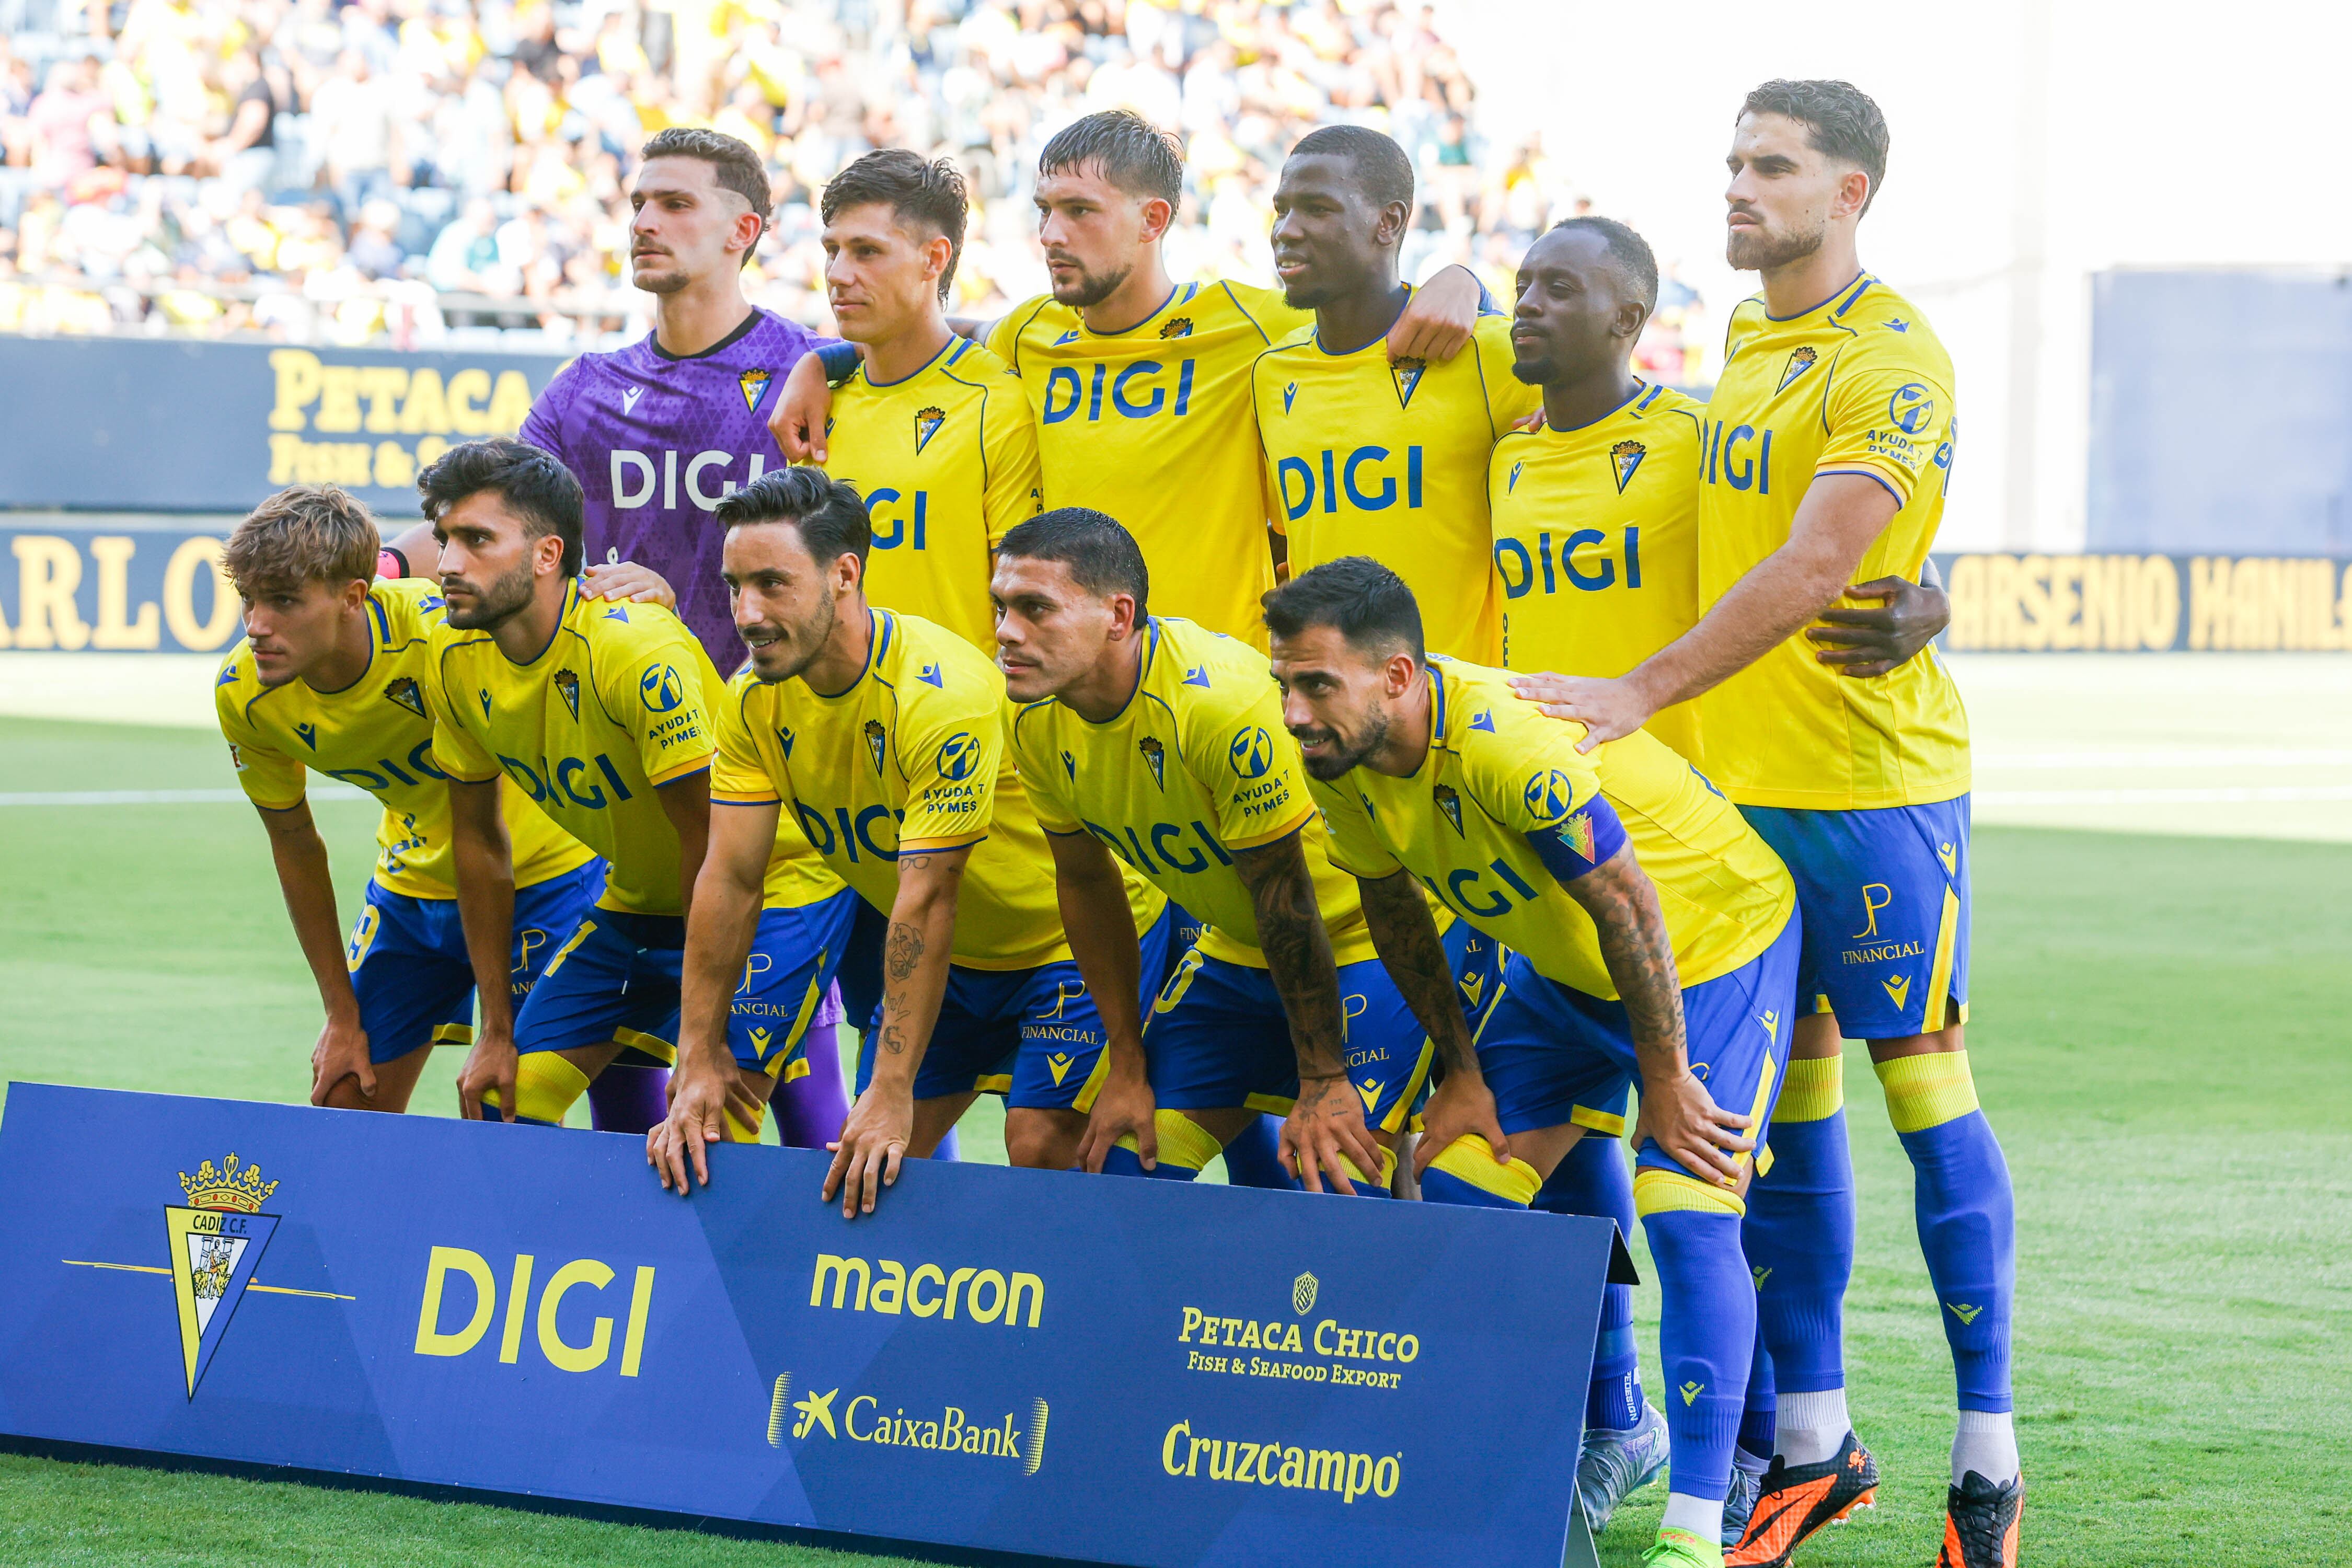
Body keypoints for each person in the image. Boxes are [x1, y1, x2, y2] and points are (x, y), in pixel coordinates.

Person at [1506, 81, 2020, 1568]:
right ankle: (1813, 1442)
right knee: (1778, 1122)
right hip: (1737, 807)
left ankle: (1985, 1459)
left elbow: (1817, 563)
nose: (1738, 185)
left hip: (1870, 794)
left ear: (1850, 191)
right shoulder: (1740, 341)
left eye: (1773, 166)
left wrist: (1639, 689)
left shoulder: (1892, 355)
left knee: (1925, 1101)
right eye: (1732, 161)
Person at [1265, 556, 1800, 1568]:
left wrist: (1665, 1075)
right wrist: (1461, 1072)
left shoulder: (1506, 745)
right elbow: (1393, 909)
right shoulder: (1340, 757)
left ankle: (1696, 1530)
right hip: (1563, 971)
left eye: (1316, 685)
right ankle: (1554, 1461)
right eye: (1285, 684)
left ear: (1398, 678)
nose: (1294, 713)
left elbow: (1630, 903)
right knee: (1460, 1195)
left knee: (1688, 1203)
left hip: (1711, 944)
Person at [392, 129, 862, 1150]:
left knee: (801, 1108)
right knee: (633, 1106)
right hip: (644, 775)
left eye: (674, 203)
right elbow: (487, 514)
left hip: (776, 776)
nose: (644, 221)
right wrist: (387, 569)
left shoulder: (805, 379)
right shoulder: (587, 388)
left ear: (745, 230)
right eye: (637, 201)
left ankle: (864, 1296)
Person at [647, 469, 1171, 1215]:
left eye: (772, 584)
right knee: (865, 1172)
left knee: (1040, 1145)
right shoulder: (752, 699)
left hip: (1062, 949)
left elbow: (929, 899)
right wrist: (698, 1055)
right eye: (735, 586)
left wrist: (891, 1088)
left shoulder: (938, 696)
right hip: (956, 965)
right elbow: (730, 879)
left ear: (845, 573)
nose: (748, 613)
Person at [770, 109, 1490, 649]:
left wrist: (1466, 281)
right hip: (1076, 682)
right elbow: (926, 347)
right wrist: (823, 361)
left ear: (1153, 219)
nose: (1051, 235)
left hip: (1217, 688)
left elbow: (1370, 311)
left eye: (1080, 211)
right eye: (1044, 211)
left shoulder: (1250, 324)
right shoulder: (1028, 333)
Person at [994, 509, 1493, 1195]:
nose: (1005, 633)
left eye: (1034, 609)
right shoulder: (1027, 714)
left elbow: (1285, 903)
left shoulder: (1217, 705)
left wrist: (1321, 1079)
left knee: (1338, 1176)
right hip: (1237, 950)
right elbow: (1085, 884)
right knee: (1116, 1165)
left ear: (1118, 616)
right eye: (1001, 608)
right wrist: (1127, 1064)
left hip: (1361, 941)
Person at [214, 485, 598, 1115]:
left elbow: (541, 597)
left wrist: (497, 1029)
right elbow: (294, 843)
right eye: (249, 601)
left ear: (354, 598)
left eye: (283, 602)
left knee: (508, 1103)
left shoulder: (443, 639)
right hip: (413, 889)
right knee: (343, 1097)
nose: (258, 626)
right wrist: (341, 1015)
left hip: (543, 877)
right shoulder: (245, 695)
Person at [419, 439, 730, 1134]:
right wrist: (496, 1029)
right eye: (444, 540)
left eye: (475, 540)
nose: (446, 564)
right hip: (637, 901)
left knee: (720, 1121)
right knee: (511, 1100)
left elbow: (714, 848)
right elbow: (477, 843)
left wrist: (702, 1040)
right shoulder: (449, 654)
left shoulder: (631, 650)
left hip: (760, 897)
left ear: (547, 555)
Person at [1250, 125, 1535, 662]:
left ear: (1390, 221)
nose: (1286, 230)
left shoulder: (1486, 352)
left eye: (1316, 209)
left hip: (1463, 713)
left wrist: (1470, 282)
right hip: (1331, 713)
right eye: (1281, 209)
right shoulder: (1271, 373)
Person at [813, 147, 1041, 651]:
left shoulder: (996, 402)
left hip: (956, 722)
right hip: (821, 723)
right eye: (833, 250)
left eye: (866, 251)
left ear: (933, 259)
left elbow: (1026, 604)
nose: (837, 273)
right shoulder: (811, 404)